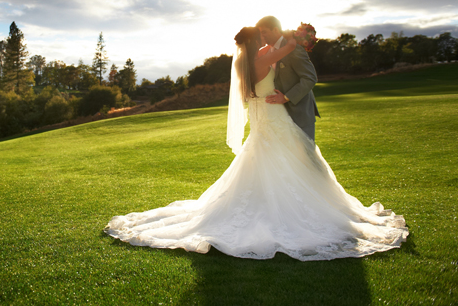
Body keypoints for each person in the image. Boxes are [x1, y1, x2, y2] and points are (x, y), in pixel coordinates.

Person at [104, 26, 408, 261]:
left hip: (260, 116)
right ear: (255, 42)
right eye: (260, 36)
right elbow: (289, 45)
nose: (264, 38)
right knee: (292, 161)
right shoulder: (264, 58)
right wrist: (301, 35)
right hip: (274, 114)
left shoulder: (242, 65)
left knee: (265, 163)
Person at [256, 16, 320, 141]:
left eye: (264, 32)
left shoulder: (293, 48)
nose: (262, 36)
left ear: (275, 29)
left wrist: (286, 97)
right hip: (278, 117)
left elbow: (309, 78)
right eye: (260, 33)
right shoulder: (268, 52)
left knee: (305, 157)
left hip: (299, 113)